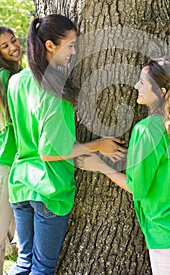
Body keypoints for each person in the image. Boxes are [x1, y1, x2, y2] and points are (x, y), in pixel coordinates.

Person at [7, 14, 126, 275]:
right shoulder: (54, 91)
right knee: (42, 268)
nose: (74, 51)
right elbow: (50, 152)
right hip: (49, 189)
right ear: (50, 45)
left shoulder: (16, 81)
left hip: (21, 183)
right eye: (70, 45)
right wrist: (98, 145)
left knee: (24, 262)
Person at [77, 57, 170, 275]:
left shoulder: (147, 130)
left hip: (166, 231)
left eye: (142, 83)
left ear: (162, 91)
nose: (136, 87)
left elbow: (138, 188)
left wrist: (101, 166)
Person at [0, 26, 22, 275]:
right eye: (4, 46)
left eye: (13, 41)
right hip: (6, 160)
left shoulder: (14, 74)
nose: (13, 47)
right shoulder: (6, 78)